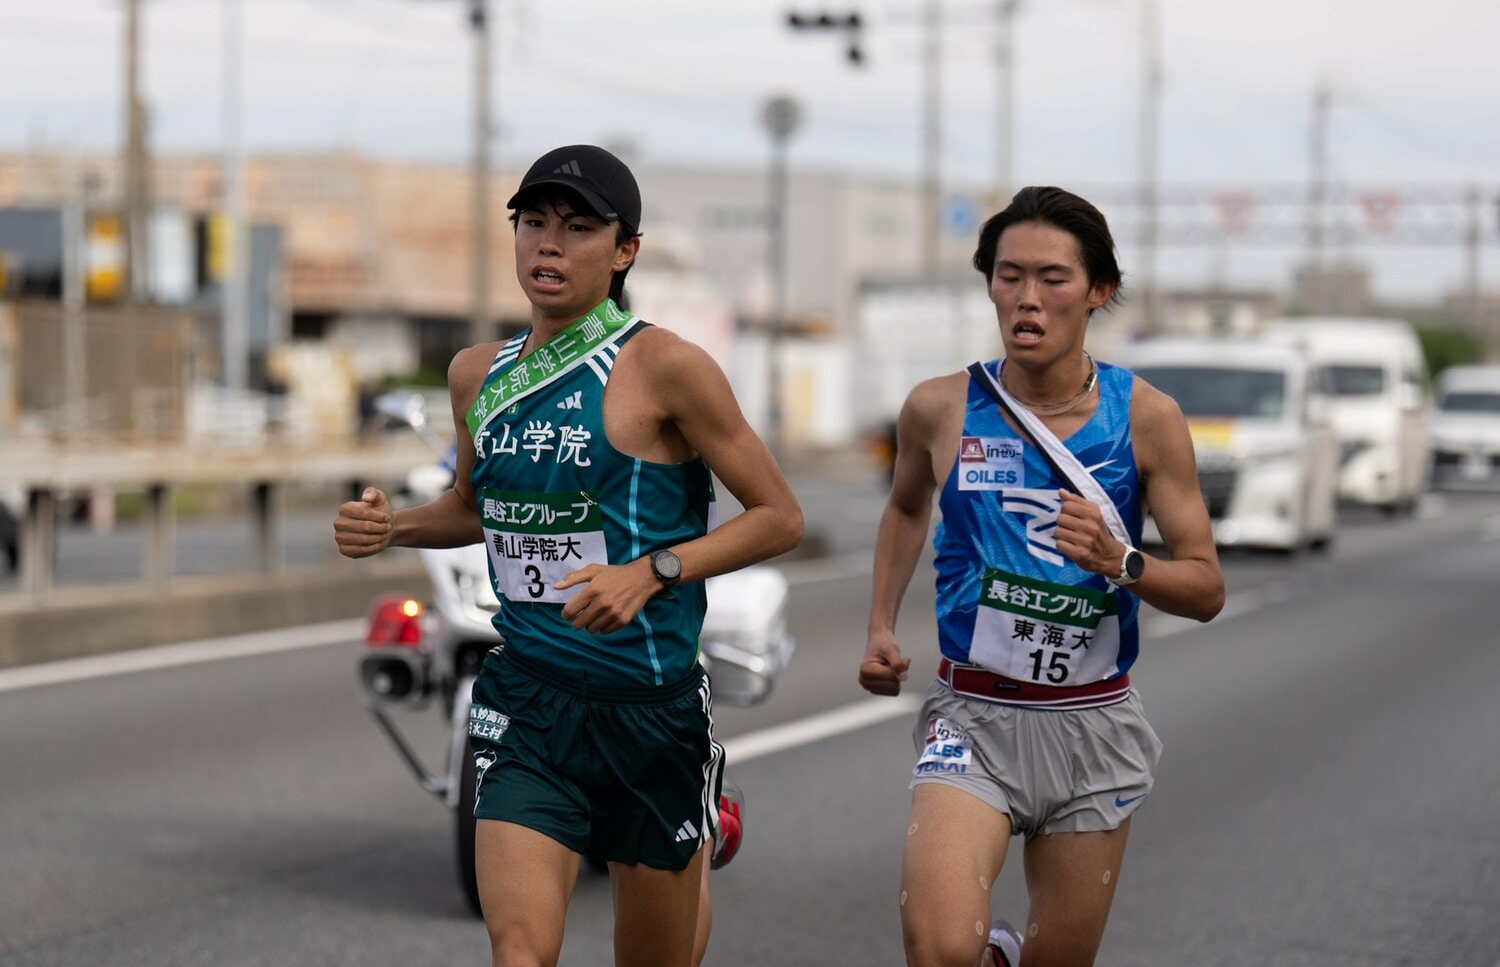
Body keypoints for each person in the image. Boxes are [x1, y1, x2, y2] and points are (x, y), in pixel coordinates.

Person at [335, 144, 803, 967]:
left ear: (625, 251)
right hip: (527, 699)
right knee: (519, 954)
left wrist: (652, 571)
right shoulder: (476, 374)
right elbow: (474, 509)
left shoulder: (667, 367)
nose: (548, 245)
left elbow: (778, 517)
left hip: (648, 709)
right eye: (534, 223)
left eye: (578, 228)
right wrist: (393, 527)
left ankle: (700, 832)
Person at [858, 186, 1225, 967]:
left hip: (1092, 726)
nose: (1027, 298)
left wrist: (1120, 562)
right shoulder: (939, 407)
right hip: (973, 719)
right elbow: (905, 508)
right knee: (939, 948)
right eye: (1007, 275)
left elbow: (1205, 588)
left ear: (1098, 292)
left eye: (1053, 279)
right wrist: (881, 625)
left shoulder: (1147, 418)